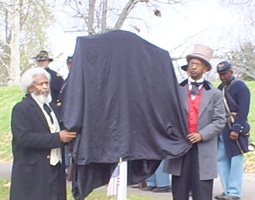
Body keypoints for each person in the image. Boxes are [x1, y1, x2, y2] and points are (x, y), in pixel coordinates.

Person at [164, 44, 226, 200]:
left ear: (205, 68)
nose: (193, 67)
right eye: (191, 63)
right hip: (180, 148)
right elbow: (167, 116)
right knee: (179, 193)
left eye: (197, 64)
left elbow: (220, 120)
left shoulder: (215, 94)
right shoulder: (176, 90)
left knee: (203, 193)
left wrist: (201, 134)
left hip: (204, 149)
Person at [10, 67, 77, 200]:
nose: (45, 87)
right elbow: (24, 138)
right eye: (40, 84)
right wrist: (57, 138)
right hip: (33, 172)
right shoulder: (22, 108)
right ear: (30, 88)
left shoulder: (52, 108)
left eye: (47, 83)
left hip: (55, 170)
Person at [215, 61, 250, 200]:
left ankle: (234, 192)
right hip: (222, 128)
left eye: (225, 73)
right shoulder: (220, 88)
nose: (223, 77)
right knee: (221, 159)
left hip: (235, 126)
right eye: (220, 74)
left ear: (231, 72)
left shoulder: (240, 87)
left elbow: (243, 110)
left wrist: (236, 128)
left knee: (235, 159)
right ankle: (227, 190)